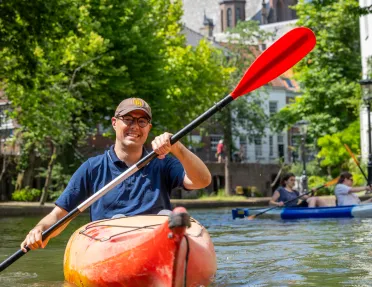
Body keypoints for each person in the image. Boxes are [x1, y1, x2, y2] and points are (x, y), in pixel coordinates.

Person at [21, 97, 212, 251]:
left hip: (160, 241)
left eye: (142, 121)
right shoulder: (91, 168)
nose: (135, 126)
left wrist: (177, 147)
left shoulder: (163, 163)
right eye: (128, 119)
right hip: (111, 246)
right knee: (118, 220)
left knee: (166, 215)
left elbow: (202, 180)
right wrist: (39, 229)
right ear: (114, 123)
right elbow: (58, 216)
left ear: (149, 128)